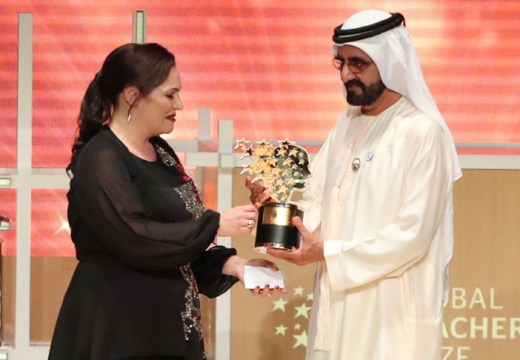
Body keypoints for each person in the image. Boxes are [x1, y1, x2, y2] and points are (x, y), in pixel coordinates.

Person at [247, 10, 462, 360]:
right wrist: (275, 206)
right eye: (341, 63)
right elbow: (318, 206)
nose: (347, 74)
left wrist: (329, 253)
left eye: (359, 63)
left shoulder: (421, 133)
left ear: (389, 60)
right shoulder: (346, 125)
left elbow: (413, 234)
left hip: (391, 317)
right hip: (337, 306)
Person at [48, 42, 284, 360]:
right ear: (132, 95)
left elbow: (179, 239)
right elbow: (134, 236)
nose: (180, 104)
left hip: (166, 327)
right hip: (117, 329)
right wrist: (215, 223)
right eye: (170, 94)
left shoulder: (162, 153)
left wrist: (237, 266)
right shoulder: (102, 158)